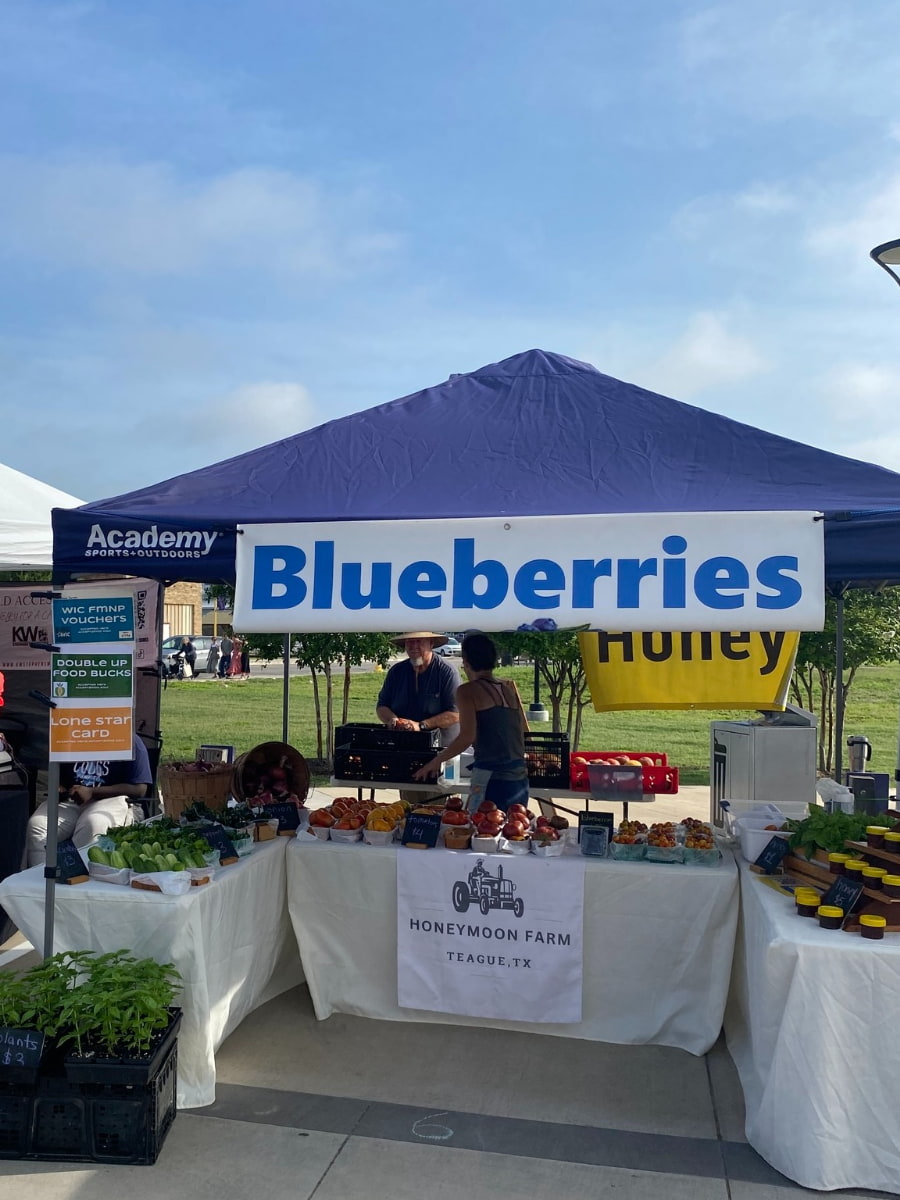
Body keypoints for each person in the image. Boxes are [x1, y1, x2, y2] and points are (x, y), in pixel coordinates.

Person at [413, 632, 528, 812]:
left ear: (466, 660)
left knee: (481, 832)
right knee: (514, 833)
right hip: (519, 777)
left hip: (491, 777)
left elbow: (467, 736)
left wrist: (436, 761)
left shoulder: (467, 691)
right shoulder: (507, 690)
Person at [26, 734, 153, 867]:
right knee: (37, 825)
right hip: (73, 800)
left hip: (112, 798)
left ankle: (77, 877)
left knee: (93, 823)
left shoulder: (130, 740)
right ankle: (40, 880)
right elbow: (61, 776)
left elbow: (139, 789)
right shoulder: (71, 734)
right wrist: (60, 786)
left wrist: (92, 792)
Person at [376, 632, 461, 803]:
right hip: (409, 753)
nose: (413, 647)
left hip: (446, 755)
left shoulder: (446, 672)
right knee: (410, 807)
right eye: (409, 642)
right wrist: (393, 719)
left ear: (431, 643)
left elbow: (456, 714)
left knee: (446, 805)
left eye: (418, 642)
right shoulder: (397, 672)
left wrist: (420, 725)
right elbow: (382, 706)